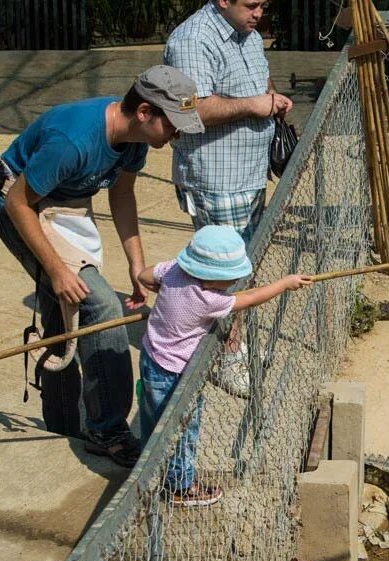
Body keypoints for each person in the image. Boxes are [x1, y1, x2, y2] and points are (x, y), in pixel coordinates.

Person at [0, 65, 205, 467]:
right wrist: (56, 269)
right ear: (144, 112)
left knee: (65, 310)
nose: (178, 133)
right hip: (19, 202)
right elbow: (18, 202)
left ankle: (63, 422)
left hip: (63, 205)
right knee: (98, 303)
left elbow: (122, 195)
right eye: (173, 124)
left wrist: (137, 267)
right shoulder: (74, 141)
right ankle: (108, 430)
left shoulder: (135, 140)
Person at [163, 0, 294, 398]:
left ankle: (232, 339)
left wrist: (272, 99)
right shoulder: (192, 40)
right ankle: (228, 355)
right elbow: (188, 112)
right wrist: (256, 105)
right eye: (251, 4)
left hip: (250, 172)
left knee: (242, 264)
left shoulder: (247, 34)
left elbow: (261, 81)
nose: (258, 13)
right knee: (222, 275)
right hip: (217, 178)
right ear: (222, 0)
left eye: (263, 5)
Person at [137, 225, 313, 507]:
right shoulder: (207, 300)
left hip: (150, 357)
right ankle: (181, 486)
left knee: (153, 417)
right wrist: (284, 283)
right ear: (212, 278)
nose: (233, 284)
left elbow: (144, 275)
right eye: (229, 279)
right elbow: (249, 299)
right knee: (183, 428)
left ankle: (147, 464)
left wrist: (165, 293)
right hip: (175, 373)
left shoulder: (173, 272)